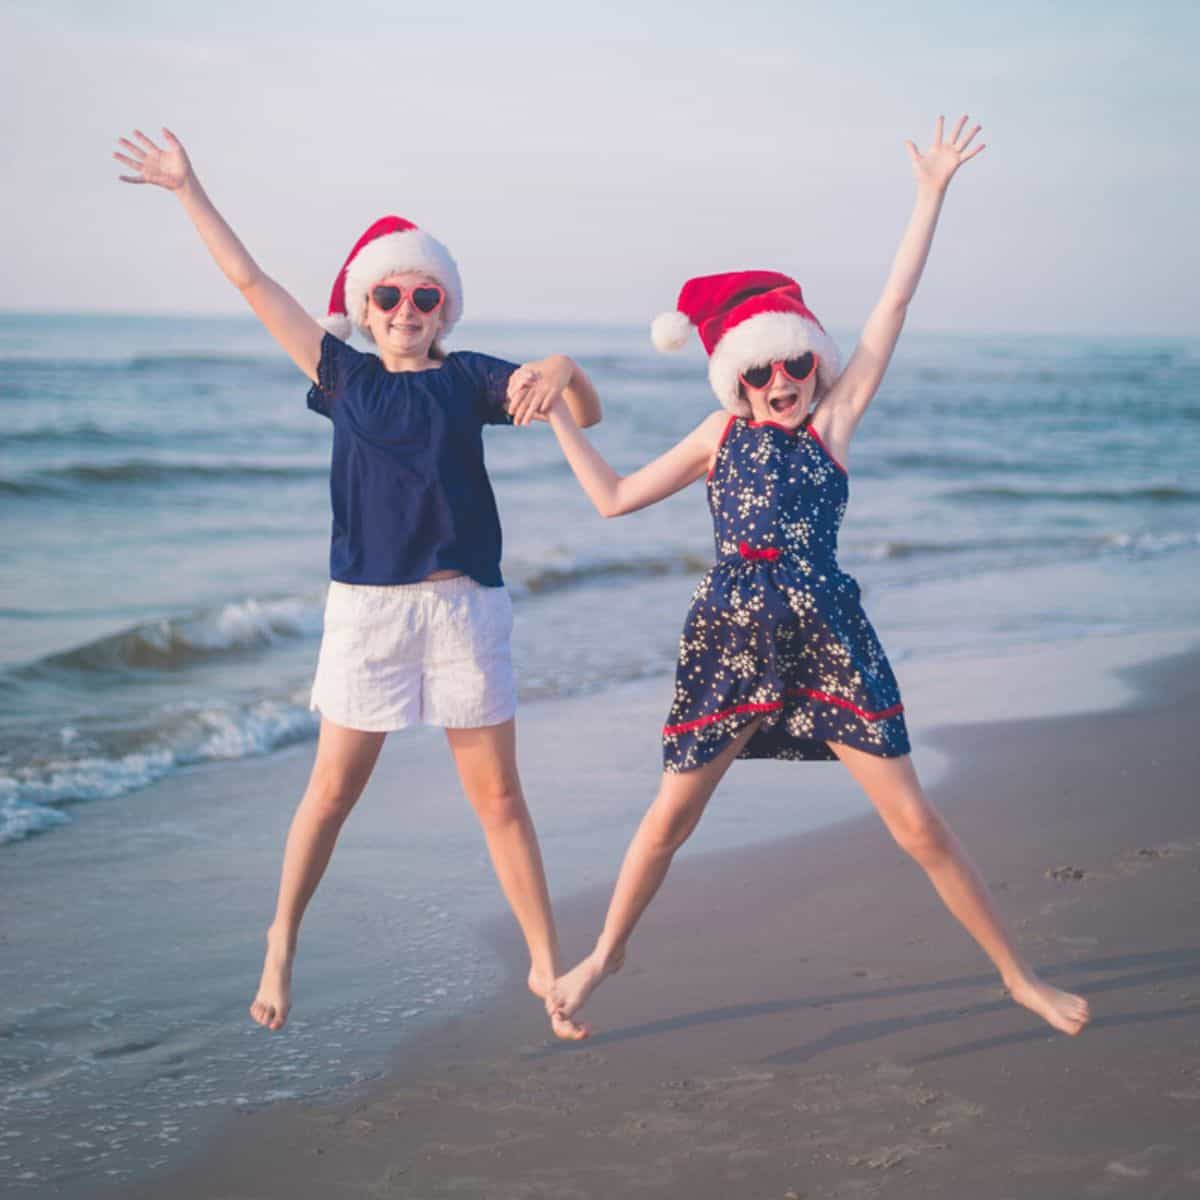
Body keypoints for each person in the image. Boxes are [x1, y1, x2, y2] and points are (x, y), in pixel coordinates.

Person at [541, 116, 1091, 1038]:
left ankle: (1018, 976)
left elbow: (892, 310)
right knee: (669, 819)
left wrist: (930, 197)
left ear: (814, 362)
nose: (783, 380)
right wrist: (561, 412)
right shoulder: (720, 439)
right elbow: (613, 498)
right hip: (731, 637)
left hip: (831, 635)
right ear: (737, 380)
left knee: (916, 825)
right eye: (764, 371)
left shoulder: (832, 428)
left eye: (798, 362)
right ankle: (605, 954)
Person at [113, 126, 599, 1039]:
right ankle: (282, 938)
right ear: (365, 309)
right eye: (390, 295)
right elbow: (253, 283)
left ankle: (543, 966)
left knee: (499, 800)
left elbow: (585, 408)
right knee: (333, 793)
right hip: (369, 615)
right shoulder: (342, 376)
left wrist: (565, 369)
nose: (407, 308)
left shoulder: (472, 378)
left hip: (465, 610)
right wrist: (189, 189)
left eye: (424, 295)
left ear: (444, 309)